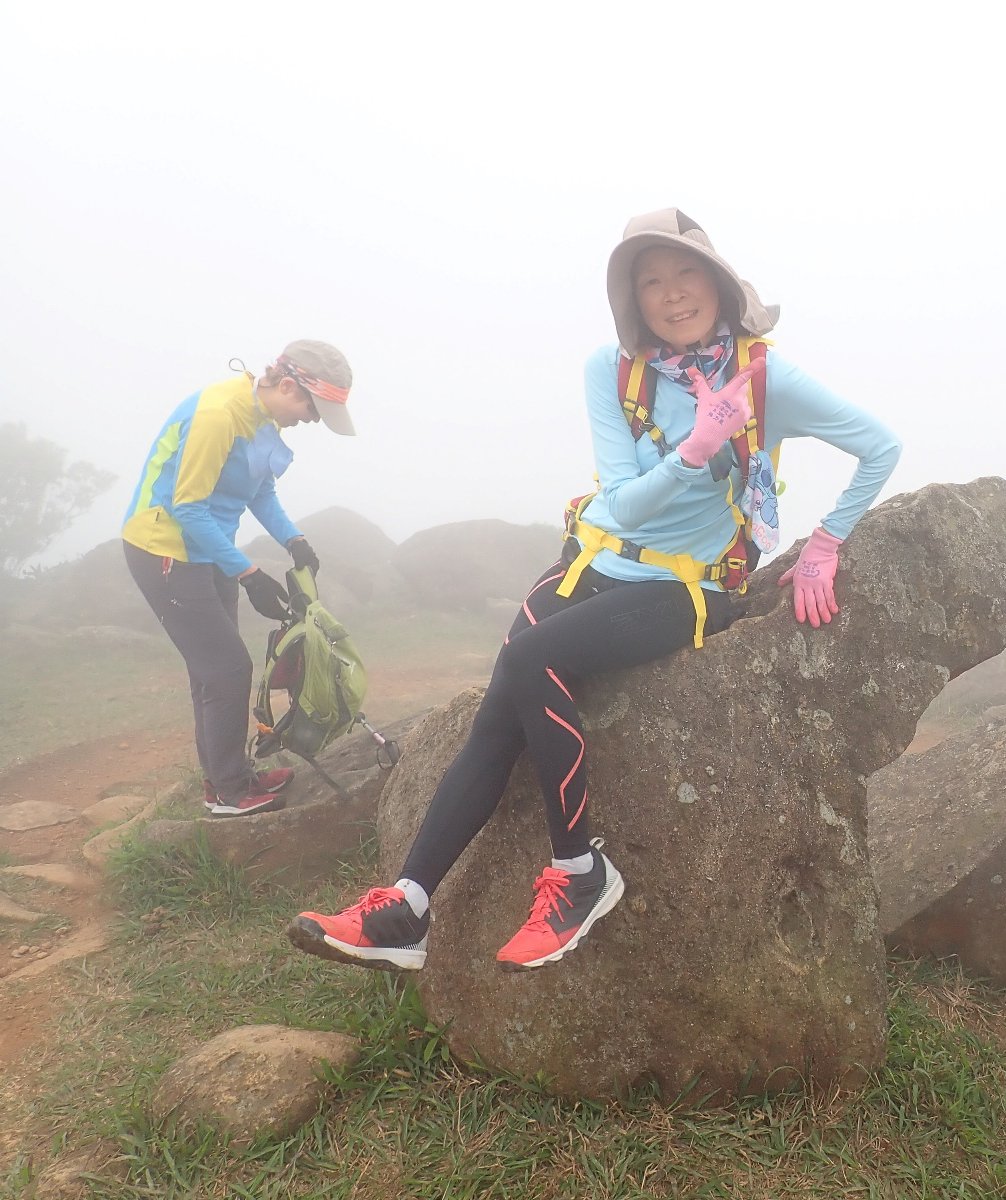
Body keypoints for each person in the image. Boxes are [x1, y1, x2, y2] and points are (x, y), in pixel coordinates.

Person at [289, 208, 902, 973]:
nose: (672, 294)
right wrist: (697, 448)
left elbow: (880, 447)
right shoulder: (612, 371)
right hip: (593, 562)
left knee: (529, 661)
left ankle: (580, 872)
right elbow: (623, 505)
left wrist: (826, 546)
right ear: (631, 300)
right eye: (651, 281)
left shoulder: (765, 378)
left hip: (688, 586)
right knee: (500, 711)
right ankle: (406, 910)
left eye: (686, 273)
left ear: (717, 282)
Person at [122, 341, 355, 817]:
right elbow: (188, 507)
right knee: (227, 669)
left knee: (213, 671)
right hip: (166, 548)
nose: (313, 420)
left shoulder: (264, 417)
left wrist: (294, 540)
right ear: (287, 386)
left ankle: (227, 778)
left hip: (209, 548)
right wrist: (248, 573)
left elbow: (260, 491)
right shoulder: (218, 415)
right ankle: (229, 792)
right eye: (313, 408)